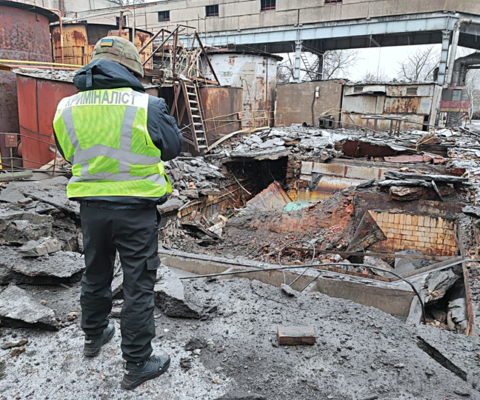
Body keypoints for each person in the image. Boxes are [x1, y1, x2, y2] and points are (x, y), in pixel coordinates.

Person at [53, 36, 183, 390]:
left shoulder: (65, 107)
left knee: (95, 275)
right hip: (135, 210)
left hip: (91, 208)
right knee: (138, 285)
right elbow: (172, 148)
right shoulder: (147, 105)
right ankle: (138, 362)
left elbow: (69, 152)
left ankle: (94, 337)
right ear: (130, 68)